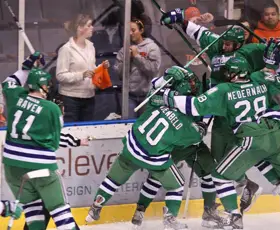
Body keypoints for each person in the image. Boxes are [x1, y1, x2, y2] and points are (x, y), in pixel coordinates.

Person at [150, 40, 280, 228]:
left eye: (229, 72)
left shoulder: (224, 90)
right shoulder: (260, 77)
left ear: (234, 73)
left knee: (220, 176)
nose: (227, 75)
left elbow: (194, 106)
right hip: (275, 135)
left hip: (251, 139)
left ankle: (234, 216)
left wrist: (167, 97)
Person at [85, 66, 209, 230]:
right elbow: (195, 137)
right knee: (176, 185)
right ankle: (169, 220)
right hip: (153, 158)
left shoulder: (155, 99)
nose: (194, 85)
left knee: (112, 180)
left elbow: (154, 85)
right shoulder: (185, 122)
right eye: (191, 84)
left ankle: (95, 208)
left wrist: (167, 76)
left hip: (131, 148)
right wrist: (200, 127)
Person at [131, 70, 222, 229]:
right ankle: (140, 209)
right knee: (157, 177)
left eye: (194, 82)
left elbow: (214, 97)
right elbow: (153, 86)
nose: (193, 85)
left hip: (193, 143)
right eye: (190, 84)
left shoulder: (199, 87)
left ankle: (208, 213)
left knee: (210, 172)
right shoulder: (171, 93)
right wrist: (166, 75)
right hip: (175, 143)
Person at [2, 52, 78, 230]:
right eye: (46, 84)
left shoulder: (15, 96)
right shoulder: (52, 108)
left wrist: (27, 66)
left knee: (33, 213)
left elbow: (9, 81)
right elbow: (54, 142)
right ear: (40, 85)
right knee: (61, 212)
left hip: (12, 167)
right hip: (41, 167)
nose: (48, 88)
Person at [56, 14, 110, 122]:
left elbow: (90, 69)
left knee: (86, 132)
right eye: (89, 25)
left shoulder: (91, 46)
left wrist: (101, 67)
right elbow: (60, 75)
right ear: (80, 28)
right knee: (71, 131)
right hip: (70, 99)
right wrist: (81, 75)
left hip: (89, 97)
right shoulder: (66, 49)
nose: (92, 28)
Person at [114, 17, 161, 118]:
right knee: (127, 126)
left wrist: (137, 57)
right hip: (129, 97)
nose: (130, 33)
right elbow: (119, 74)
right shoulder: (124, 50)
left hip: (147, 97)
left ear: (141, 30)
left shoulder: (152, 48)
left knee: (146, 126)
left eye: (133, 30)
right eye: (128, 31)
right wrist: (128, 59)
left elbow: (153, 71)